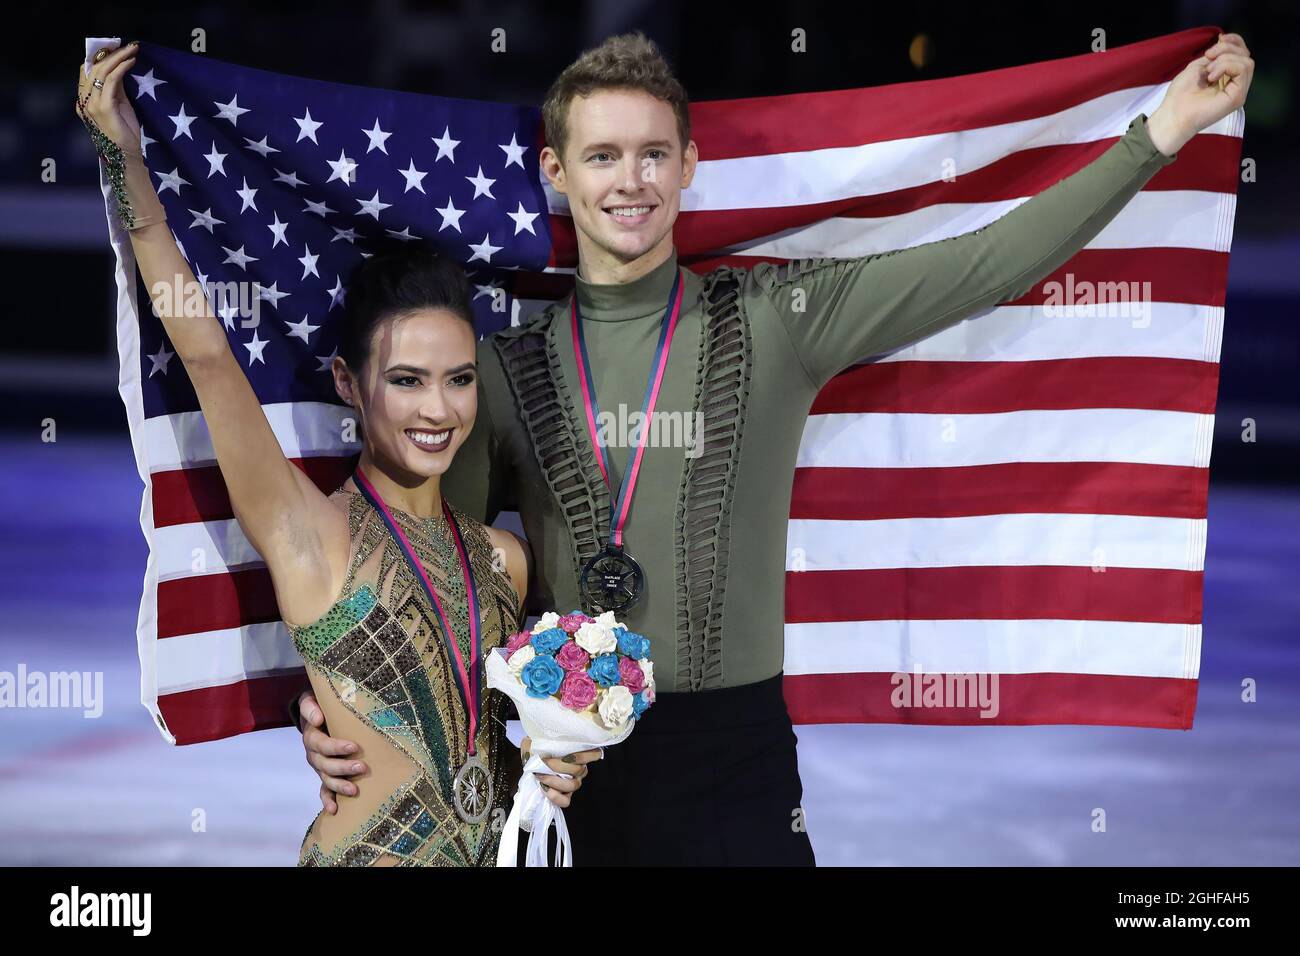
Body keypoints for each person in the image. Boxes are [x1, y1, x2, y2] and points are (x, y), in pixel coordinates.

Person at [296, 30, 1254, 865]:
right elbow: (426, 573)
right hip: (561, 772)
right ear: (556, 170)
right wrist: (344, 704)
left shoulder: (776, 320)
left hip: (736, 758)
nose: (629, 181)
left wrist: (1158, 133)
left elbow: (981, 263)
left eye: (652, 155)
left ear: (689, 165)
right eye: (600, 157)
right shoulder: (499, 370)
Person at [76, 43, 599, 865]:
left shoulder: (507, 560)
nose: (437, 408)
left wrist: (558, 758)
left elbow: (514, 739)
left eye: (458, 378)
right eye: (406, 380)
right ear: (350, 386)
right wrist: (121, 152)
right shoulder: (308, 533)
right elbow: (208, 353)